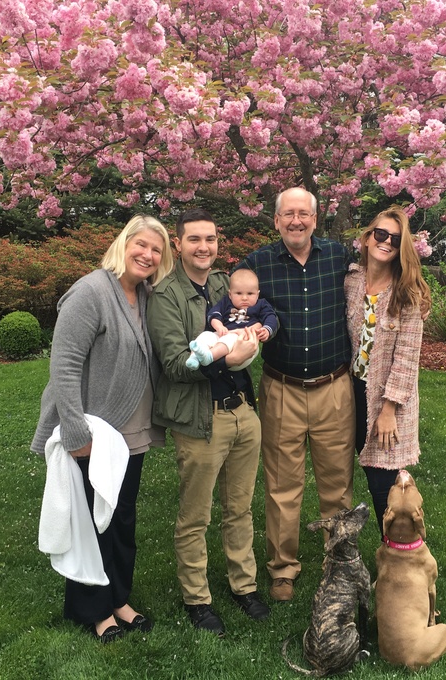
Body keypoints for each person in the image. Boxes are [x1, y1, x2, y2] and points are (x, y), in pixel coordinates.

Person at [31, 215, 173, 643]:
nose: (147, 255)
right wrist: (75, 432)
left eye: (157, 250)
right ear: (123, 243)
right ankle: (93, 611)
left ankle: (118, 597)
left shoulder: (145, 295)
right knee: (93, 524)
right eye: (141, 244)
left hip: (132, 433)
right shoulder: (91, 291)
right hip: (92, 432)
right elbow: (64, 365)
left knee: (121, 518)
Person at [147, 208, 270, 636]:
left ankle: (244, 585)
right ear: (178, 244)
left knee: (239, 507)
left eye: (211, 239)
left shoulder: (224, 283)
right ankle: (197, 599)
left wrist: (252, 338)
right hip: (200, 420)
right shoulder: (165, 295)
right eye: (195, 240)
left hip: (242, 412)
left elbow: (255, 318)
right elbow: (175, 364)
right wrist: (228, 356)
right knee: (195, 515)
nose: (204, 247)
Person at [238, 187, 355, 602]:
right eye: (287, 214)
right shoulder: (257, 265)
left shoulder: (340, 258)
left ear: (315, 218)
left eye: (303, 214)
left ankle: (338, 563)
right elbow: (230, 302)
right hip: (281, 388)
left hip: (334, 388)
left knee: (337, 484)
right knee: (282, 485)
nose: (296, 221)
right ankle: (283, 569)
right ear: (276, 221)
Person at [344, 206, 432, 535]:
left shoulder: (407, 293)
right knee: (341, 477)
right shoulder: (351, 281)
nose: (386, 242)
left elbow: (408, 357)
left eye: (395, 240)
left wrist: (389, 408)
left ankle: (402, 560)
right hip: (346, 392)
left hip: (385, 400)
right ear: (367, 238)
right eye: (380, 234)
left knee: (384, 485)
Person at [185, 268, 278, 370]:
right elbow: (214, 314)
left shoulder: (261, 305)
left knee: (230, 339)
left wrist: (266, 329)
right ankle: (194, 357)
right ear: (230, 294)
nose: (244, 298)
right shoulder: (226, 302)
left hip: (243, 342)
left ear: (258, 294)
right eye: (239, 293)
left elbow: (271, 317)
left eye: (250, 294)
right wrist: (219, 326)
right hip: (224, 333)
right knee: (206, 335)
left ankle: (210, 356)